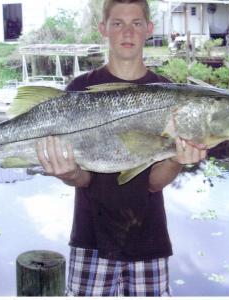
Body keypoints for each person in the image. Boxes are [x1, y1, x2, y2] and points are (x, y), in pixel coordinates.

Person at [35, 0, 207, 296]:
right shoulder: (79, 89)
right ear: (103, 28)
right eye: (118, 23)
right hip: (92, 239)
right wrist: (69, 173)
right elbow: (86, 179)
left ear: (149, 29)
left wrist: (178, 160)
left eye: (136, 23)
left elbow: (153, 183)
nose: (127, 32)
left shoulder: (170, 94)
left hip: (150, 241)